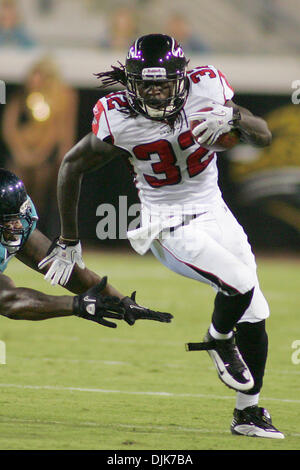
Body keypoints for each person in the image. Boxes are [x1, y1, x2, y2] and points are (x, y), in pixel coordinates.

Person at [39, 34, 284, 439]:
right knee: (238, 285)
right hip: (166, 222)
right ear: (131, 83)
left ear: (182, 79)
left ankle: (248, 413)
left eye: (163, 83)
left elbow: (264, 135)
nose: (154, 92)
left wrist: (235, 119)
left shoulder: (208, 89)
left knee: (256, 311)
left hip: (215, 211)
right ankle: (218, 338)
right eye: (146, 84)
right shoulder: (118, 116)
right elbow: (71, 166)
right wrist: (68, 238)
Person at [0, 168, 173, 327]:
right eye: (9, 220)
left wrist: (122, 301)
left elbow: (62, 268)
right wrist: (77, 305)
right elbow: (7, 300)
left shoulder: (18, 219)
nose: (18, 226)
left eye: (19, 217)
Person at [1, 56, 78, 237]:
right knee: (15, 182)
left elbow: (56, 133)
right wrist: (21, 152)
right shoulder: (22, 97)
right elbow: (9, 127)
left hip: (46, 156)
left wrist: (39, 156)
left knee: (44, 187)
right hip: (23, 154)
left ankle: (41, 233)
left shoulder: (62, 97)